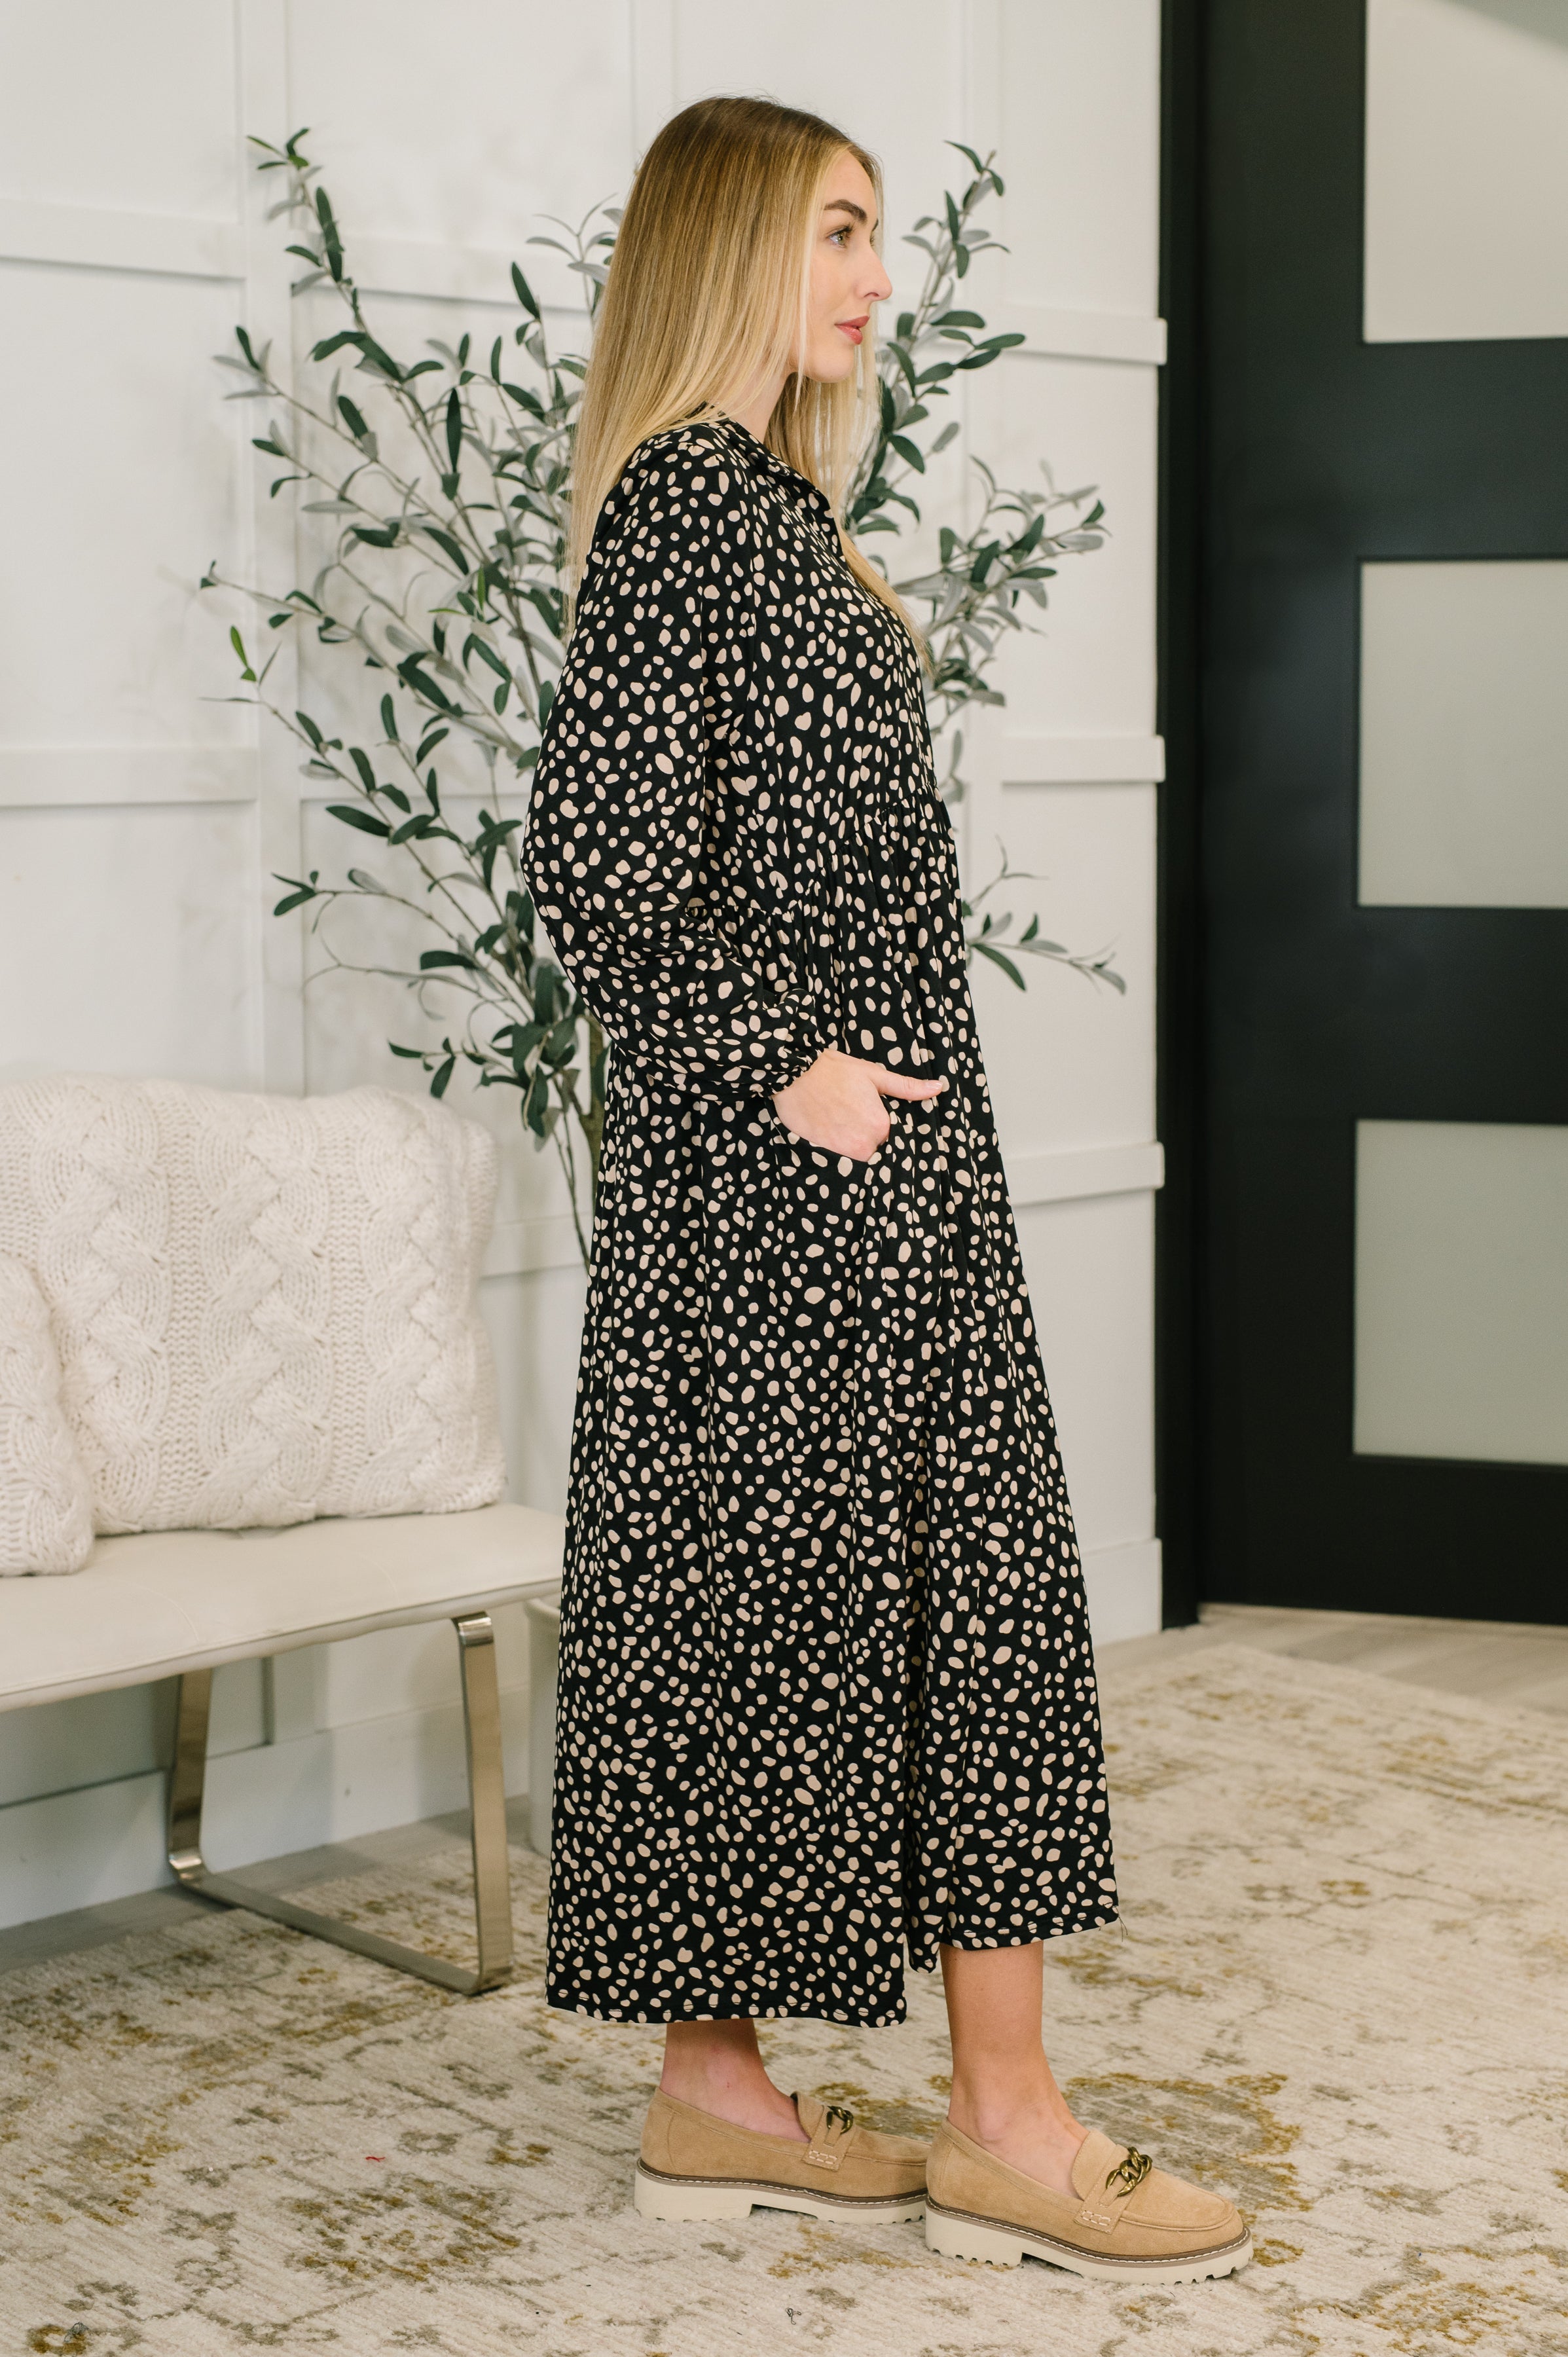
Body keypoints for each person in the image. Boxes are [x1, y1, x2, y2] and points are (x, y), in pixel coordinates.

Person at [521, 93, 1249, 2285]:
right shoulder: (686, 514)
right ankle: (1007, 2128)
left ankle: (714, 2085)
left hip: (843, 1193)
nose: (872, 276)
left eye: (878, 234)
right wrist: (795, 1070)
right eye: (836, 231)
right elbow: (598, 872)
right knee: (961, 1616)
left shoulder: (759, 513)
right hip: (799, 1204)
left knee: (791, 1619)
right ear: (733, 246)